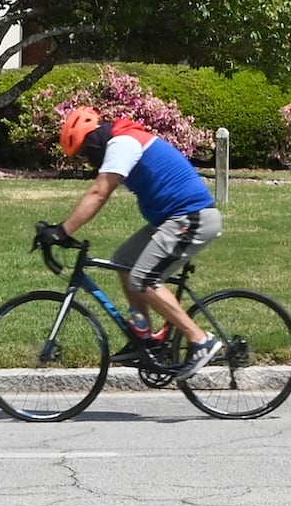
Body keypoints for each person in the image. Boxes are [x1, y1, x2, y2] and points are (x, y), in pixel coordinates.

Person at [35, 106, 224, 378]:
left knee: (144, 278)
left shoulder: (122, 143)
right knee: (124, 260)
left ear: (95, 139)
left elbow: (99, 193)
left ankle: (199, 340)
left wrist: (61, 231)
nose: (89, 160)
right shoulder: (122, 141)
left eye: (87, 152)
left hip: (192, 219)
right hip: (175, 219)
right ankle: (144, 338)